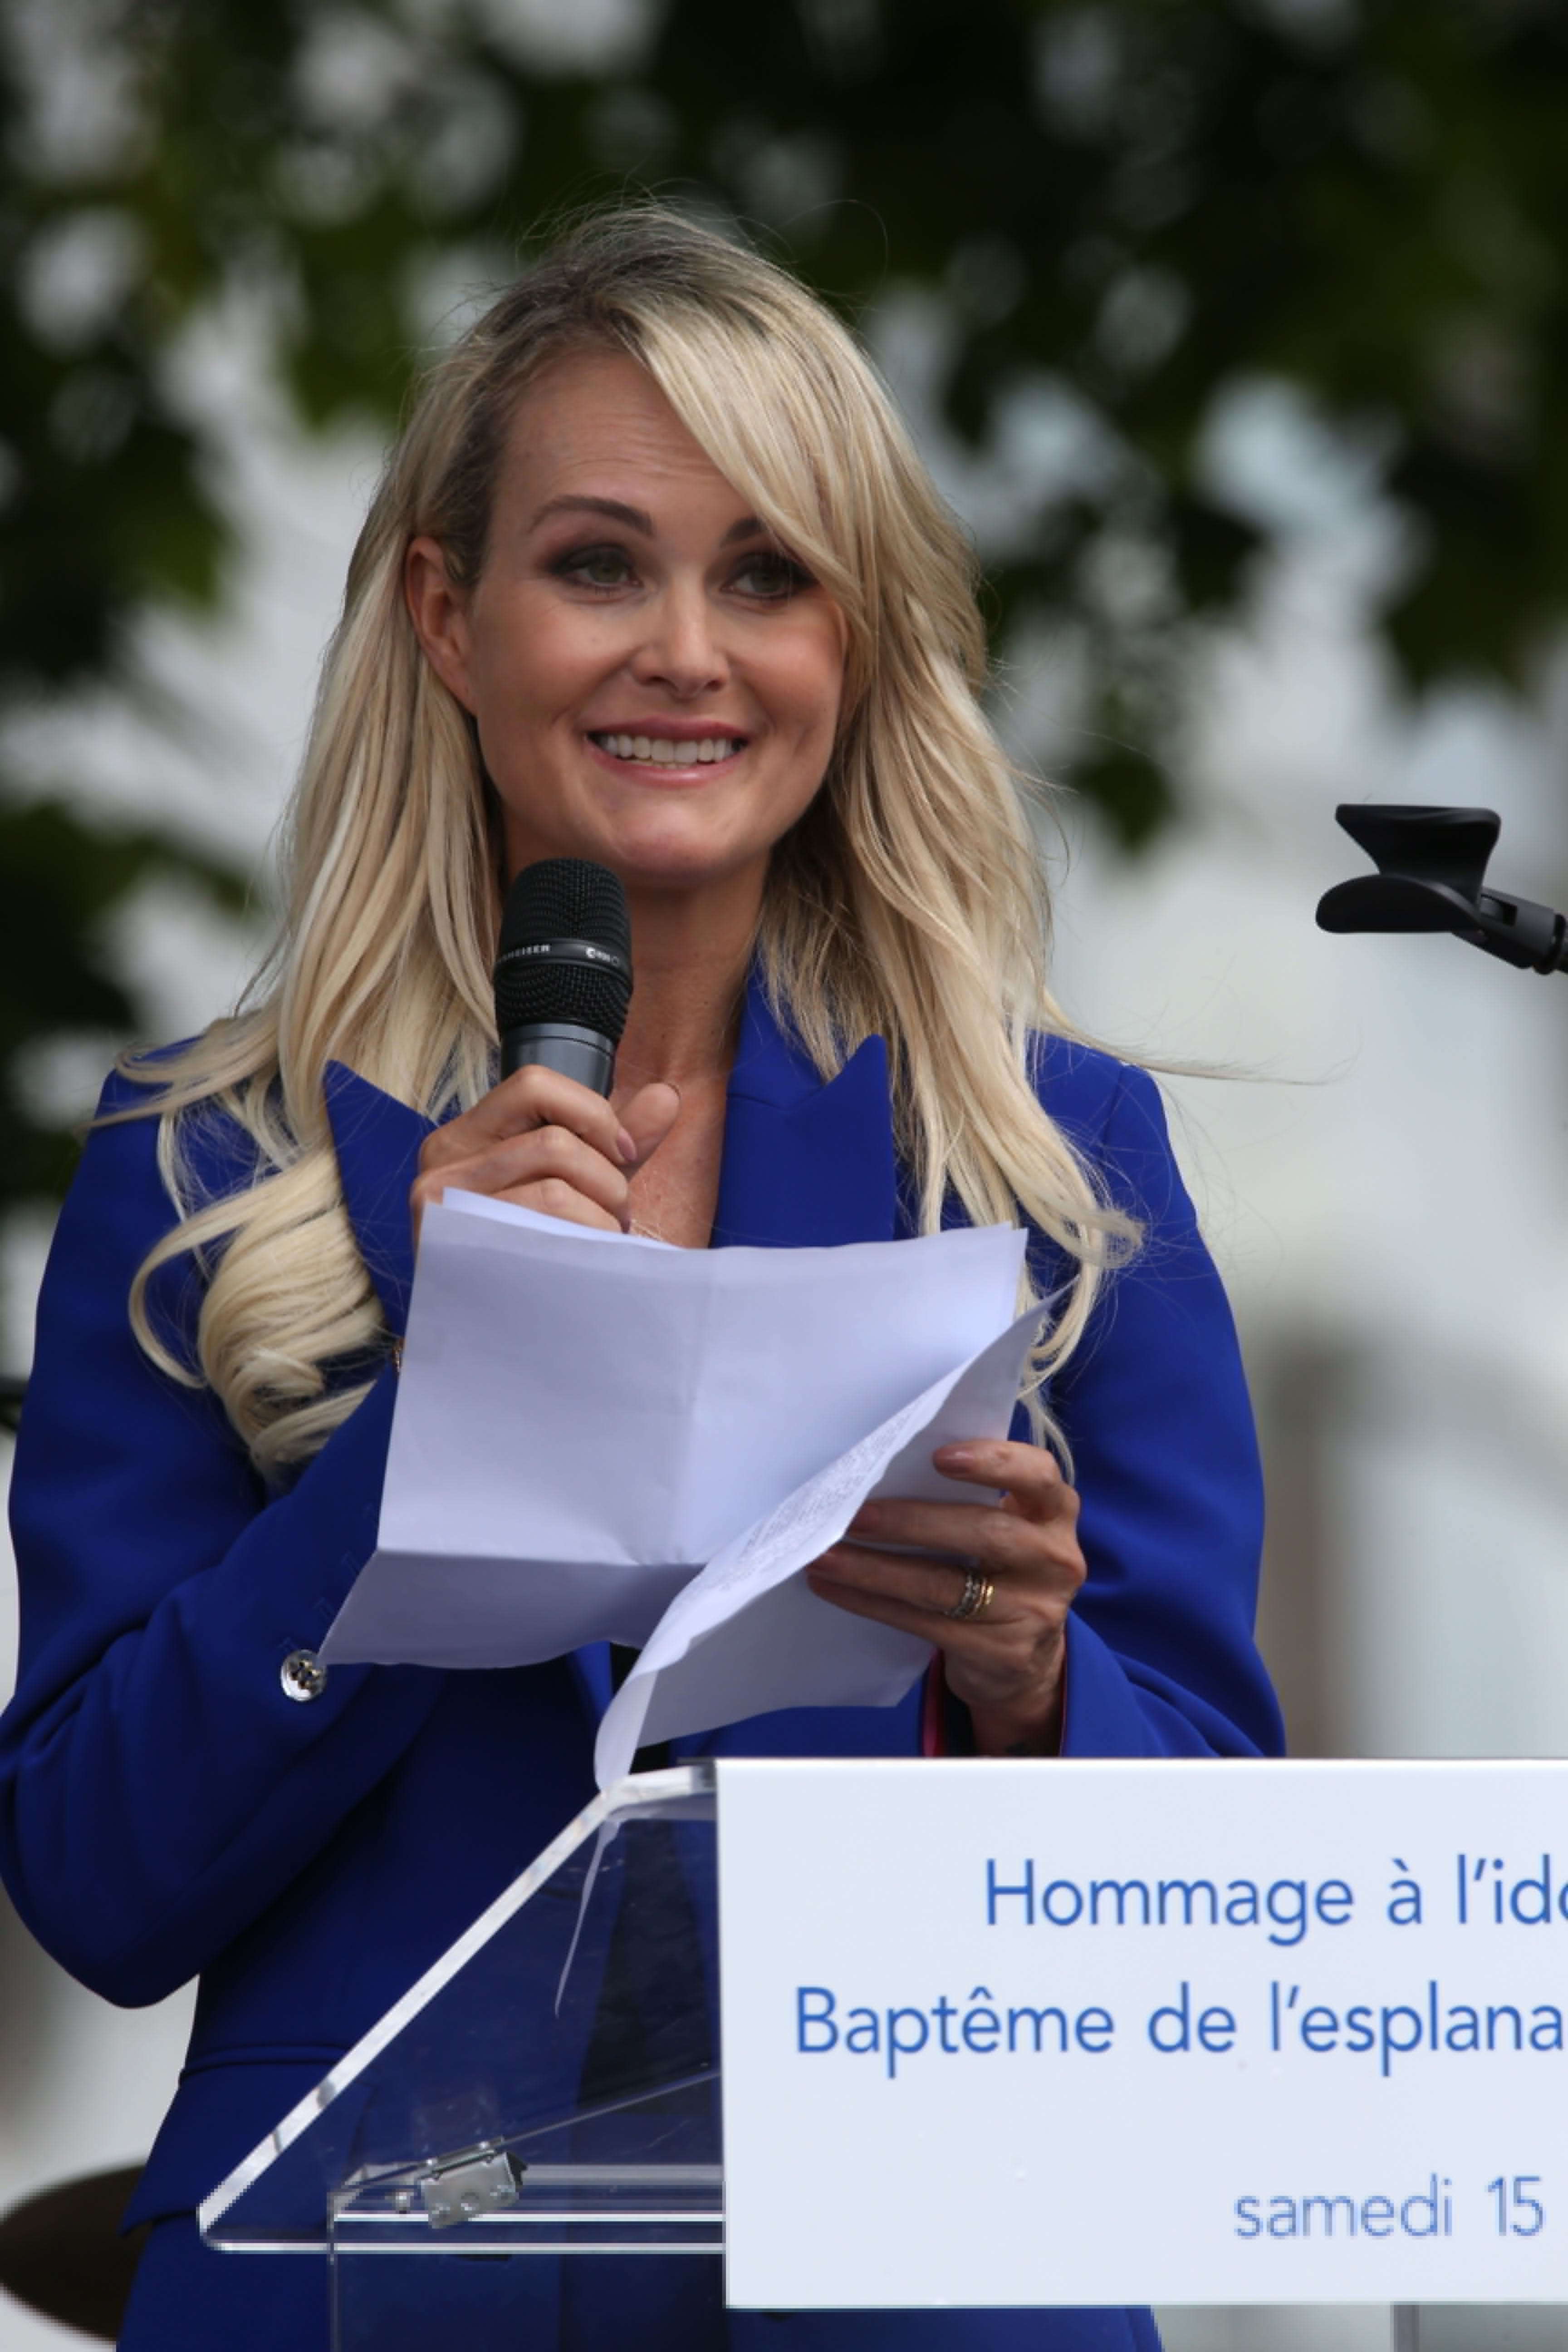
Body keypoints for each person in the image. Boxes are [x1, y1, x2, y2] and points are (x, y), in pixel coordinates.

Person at [0, 207, 1281, 2349]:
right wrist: (438, 1421)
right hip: (367, 2288)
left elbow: (1222, 1928)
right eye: (600, 565)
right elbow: (98, 1883)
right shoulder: (209, 1167)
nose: (687, 650)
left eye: (767, 576)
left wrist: (1035, 1690)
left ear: (852, 646)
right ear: (448, 615)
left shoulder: (1053, 1167)